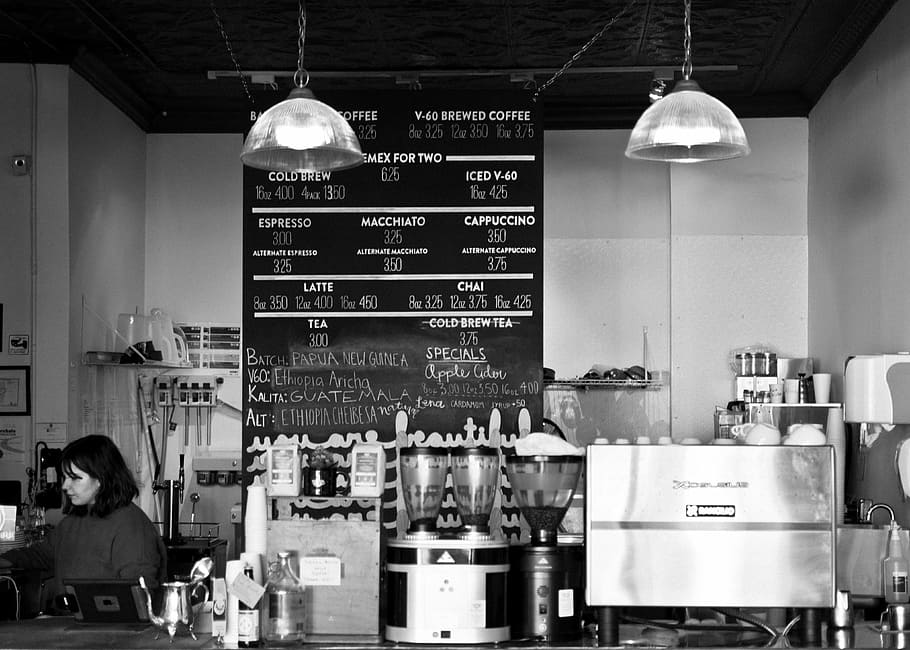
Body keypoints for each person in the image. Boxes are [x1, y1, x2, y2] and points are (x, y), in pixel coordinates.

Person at [0, 434, 167, 605]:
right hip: (74, 624)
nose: (65, 486)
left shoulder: (130, 527)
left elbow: (139, 597)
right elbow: (41, 555)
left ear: (101, 479)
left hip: (109, 628)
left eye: (75, 478)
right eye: (64, 477)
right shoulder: (74, 521)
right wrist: (5, 559)